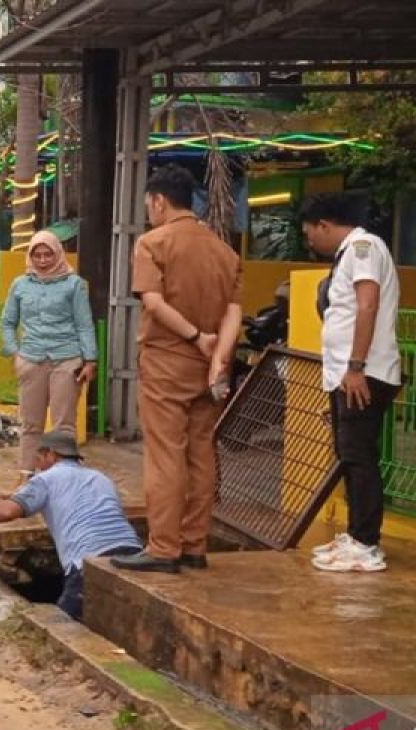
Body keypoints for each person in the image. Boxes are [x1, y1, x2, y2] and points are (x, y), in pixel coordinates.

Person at [110, 164, 242, 574]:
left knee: (167, 455)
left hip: (169, 359)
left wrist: (193, 337)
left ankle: (163, 546)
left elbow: (152, 301)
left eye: (149, 204)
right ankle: (193, 544)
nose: (149, 210)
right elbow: (235, 310)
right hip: (210, 367)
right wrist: (218, 352)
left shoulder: (153, 242)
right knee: (202, 452)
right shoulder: (224, 250)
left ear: (158, 200)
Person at [300, 194, 401, 573]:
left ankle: (366, 543)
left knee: (359, 458)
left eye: (311, 234)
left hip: (363, 373)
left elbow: (367, 304)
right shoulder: (348, 254)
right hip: (348, 375)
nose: (311, 243)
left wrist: (356, 366)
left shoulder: (362, 247)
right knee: (348, 455)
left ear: (325, 224)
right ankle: (356, 534)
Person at [0, 431, 142, 620]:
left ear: (51, 454)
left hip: (88, 563)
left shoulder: (45, 479)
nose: (37, 465)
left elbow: (7, 512)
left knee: (65, 628)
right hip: (132, 553)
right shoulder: (101, 478)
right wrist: (19, 496)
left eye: (39, 458)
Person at [0, 230, 97, 483]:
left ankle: (63, 479)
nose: (43, 260)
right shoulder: (20, 285)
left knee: (64, 424)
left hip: (67, 359)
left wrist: (90, 360)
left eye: (48, 254)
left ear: (58, 254)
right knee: (31, 423)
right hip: (32, 359)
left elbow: (84, 324)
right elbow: (8, 322)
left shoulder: (73, 284)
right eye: (38, 255)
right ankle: (26, 475)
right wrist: (15, 353)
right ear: (30, 256)